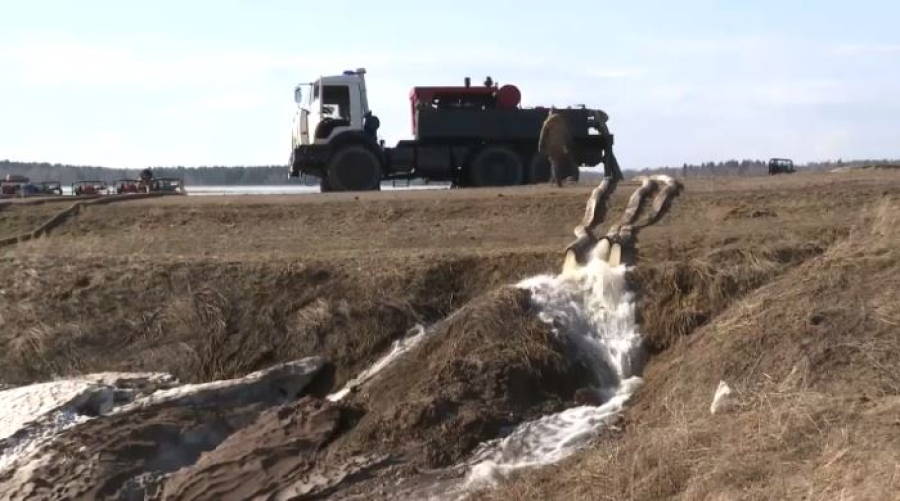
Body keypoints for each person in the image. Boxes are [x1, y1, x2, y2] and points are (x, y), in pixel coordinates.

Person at [538, 107, 578, 187]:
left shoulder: (548, 122)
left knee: (554, 163)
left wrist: (540, 145)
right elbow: (567, 135)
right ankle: (553, 180)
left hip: (551, 145)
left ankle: (558, 182)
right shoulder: (562, 122)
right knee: (558, 163)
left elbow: (543, 135)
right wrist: (568, 144)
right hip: (561, 145)